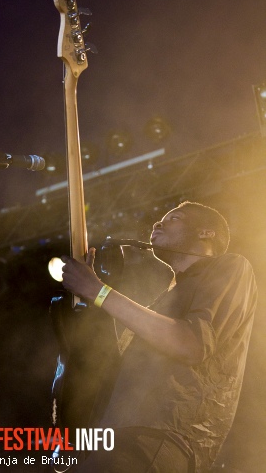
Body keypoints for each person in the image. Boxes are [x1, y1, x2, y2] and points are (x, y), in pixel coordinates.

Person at [61, 201, 257, 472]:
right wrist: (89, 301)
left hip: (158, 438)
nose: (156, 223)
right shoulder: (162, 301)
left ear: (206, 233)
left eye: (174, 217)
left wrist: (99, 292)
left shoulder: (232, 267)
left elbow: (191, 344)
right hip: (117, 440)